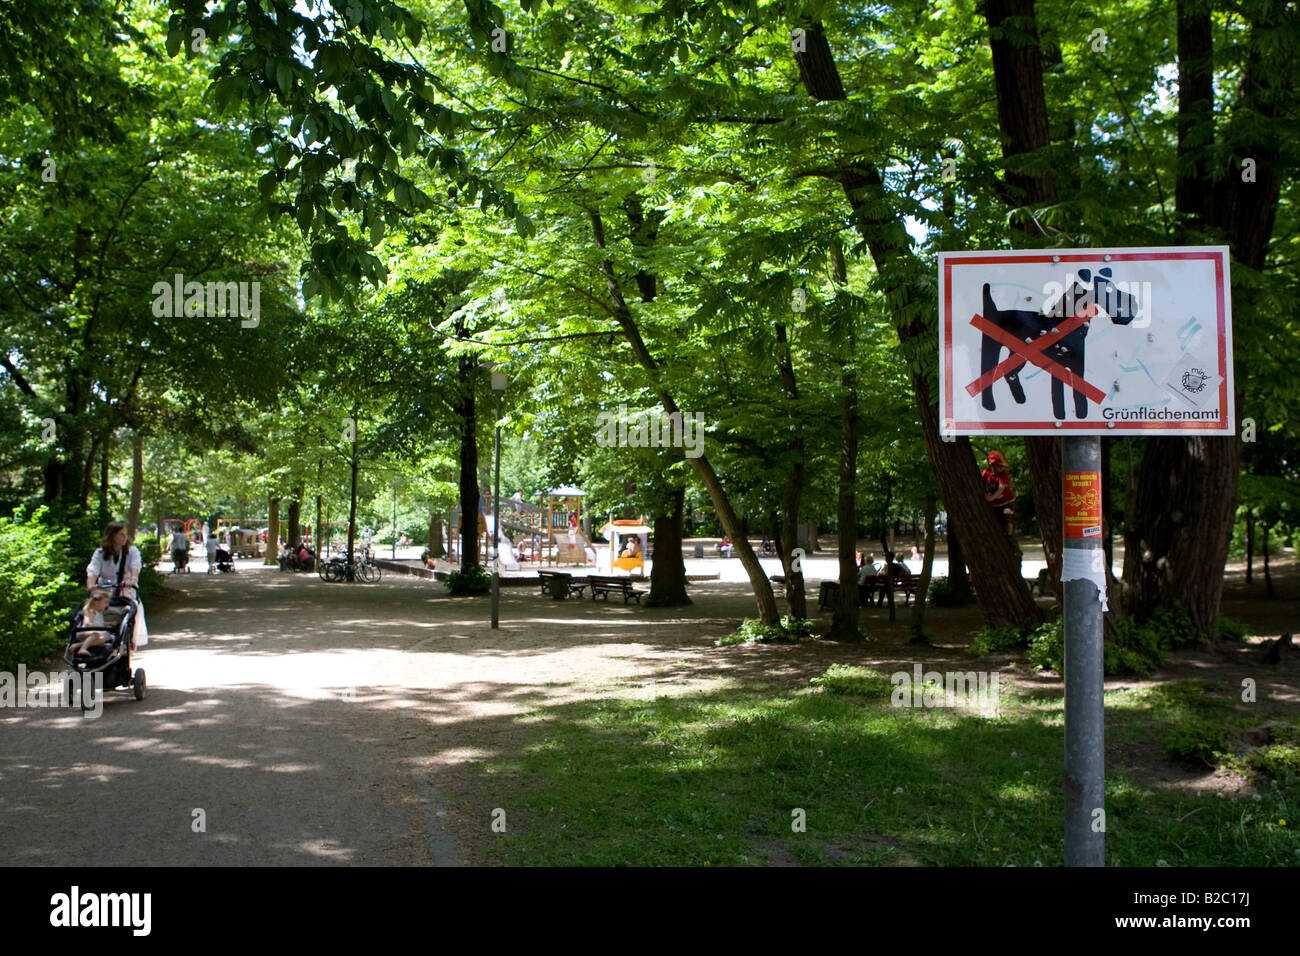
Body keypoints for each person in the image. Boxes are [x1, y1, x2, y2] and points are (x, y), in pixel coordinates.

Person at [86, 522, 147, 647]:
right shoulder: (100, 553)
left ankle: (125, 640)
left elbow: (135, 568)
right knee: (93, 609)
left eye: (125, 534)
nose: (124, 537)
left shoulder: (132, 552)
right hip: (105, 592)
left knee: (129, 614)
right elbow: (93, 571)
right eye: (121, 535)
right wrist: (91, 585)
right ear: (112, 536)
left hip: (125, 592)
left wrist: (132, 580)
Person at [982, 450, 1016, 537]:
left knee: (1007, 516)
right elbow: (982, 483)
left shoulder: (1003, 475)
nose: (1002, 468)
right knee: (998, 520)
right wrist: (988, 493)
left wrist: (991, 497)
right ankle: (1002, 533)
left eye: (1002, 466)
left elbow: (1001, 488)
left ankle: (1009, 535)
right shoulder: (986, 472)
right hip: (995, 504)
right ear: (991, 465)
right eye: (999, 466)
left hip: (1007, 501)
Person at [70, 590, 113, 657]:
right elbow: (87, 623)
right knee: (96, 635)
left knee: (103, 640)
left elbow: (99, 622)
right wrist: (98, 626)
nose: (107, 605)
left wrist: (110, 623)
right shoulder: (90, 611)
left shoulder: (99, 612)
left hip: (94, 632)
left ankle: (79, 645)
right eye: (105, 602)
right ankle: (82, 648)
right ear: (96, 602)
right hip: (86, 631)